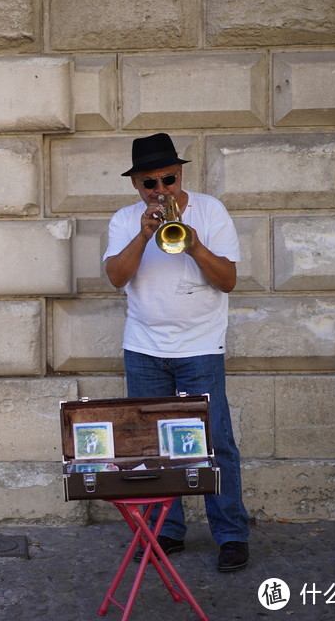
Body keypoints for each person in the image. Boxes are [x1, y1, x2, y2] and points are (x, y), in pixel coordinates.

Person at [103, 132, 250, 573]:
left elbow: (228, 281)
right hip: (144, 348)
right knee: (154, 448)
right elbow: (116, 277)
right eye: (151, 183)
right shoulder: (126, 220)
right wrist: (145, 236)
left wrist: (194, 244)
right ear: (137, 186)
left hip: (201, 346)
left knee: (216, 444)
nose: (161, 190)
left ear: (180, 173)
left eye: (168, 179)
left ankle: (231, 535)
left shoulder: (211, 211)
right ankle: (166, 532)